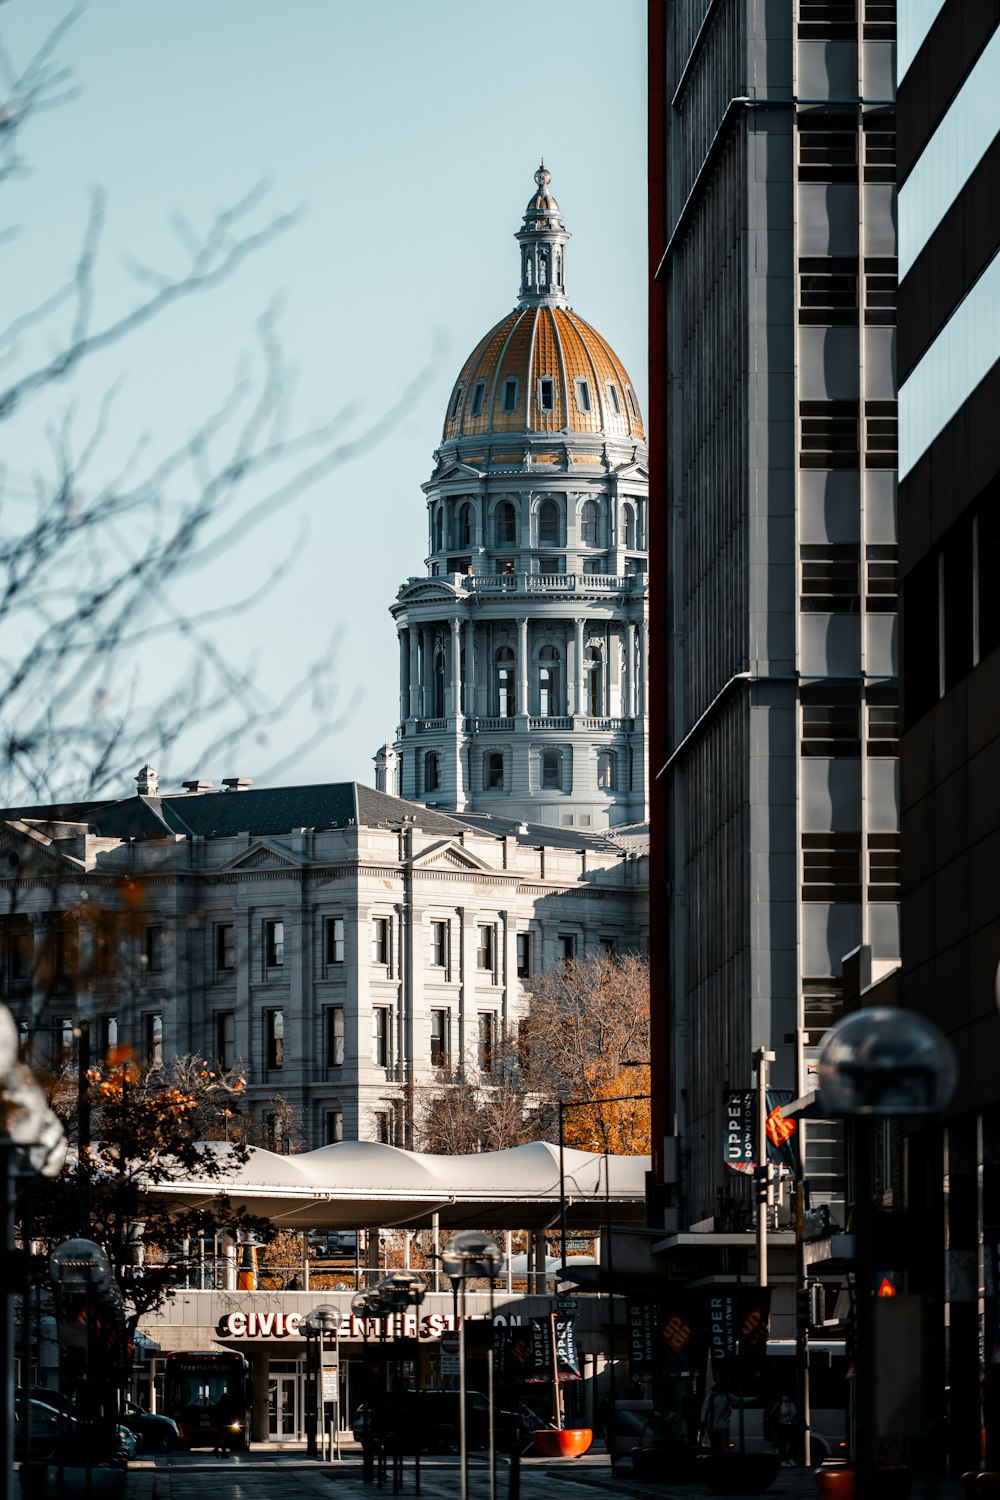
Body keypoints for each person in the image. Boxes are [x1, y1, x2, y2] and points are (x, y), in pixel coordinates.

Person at [767, 1393, 798, 1465]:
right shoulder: (779, 1404)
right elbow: (772, 1416)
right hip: (781, 1425)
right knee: (782, 1444)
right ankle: (783, 1460)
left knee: (790, 1444)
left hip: (791, 1425)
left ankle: (789, 1458)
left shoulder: (793, 1404)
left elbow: (798, 1415)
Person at [701, 1383, 732, 1453]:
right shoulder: (727, 1396)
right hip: (723, 1425)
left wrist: (702, 1420)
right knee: (724, 1444)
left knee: (716, 1444)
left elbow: (704, 1409)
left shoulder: (711, 1397)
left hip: (714, 1425)